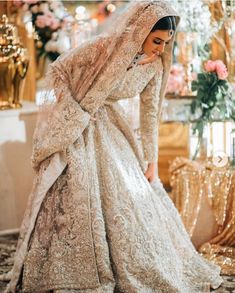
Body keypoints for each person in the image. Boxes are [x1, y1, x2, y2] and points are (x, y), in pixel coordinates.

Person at [4, 1, 223, 292]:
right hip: (79, 128)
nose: (160, 48)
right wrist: (75, 111)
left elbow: (149, 117)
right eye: (156, 41)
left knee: (131, 203)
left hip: (113, 133)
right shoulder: (104, 47)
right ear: (142, 31)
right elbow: (59, 71)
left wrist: (151, 163)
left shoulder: (155, 67)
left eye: (166, 43)